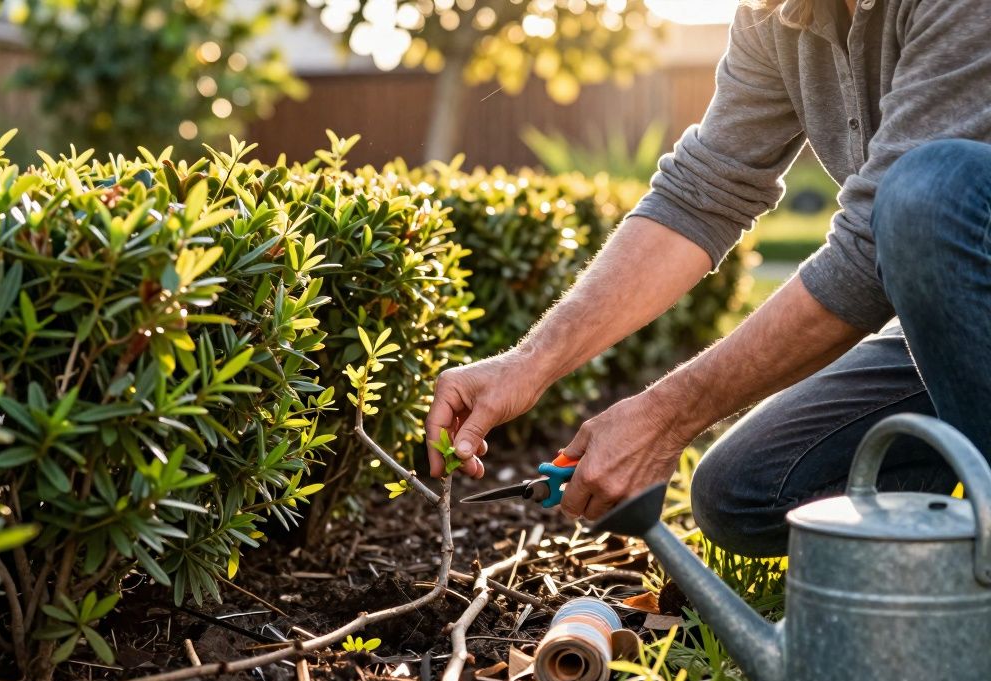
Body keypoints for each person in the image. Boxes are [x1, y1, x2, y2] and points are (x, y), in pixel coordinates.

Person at [425, 0, 991, 558]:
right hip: (964, 324)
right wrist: (528, 364)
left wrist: (664, 417)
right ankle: (950, 548)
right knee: (747, 492)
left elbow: (871, 247)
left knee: (926, 193)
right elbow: (702, 194)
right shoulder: (775, 14)